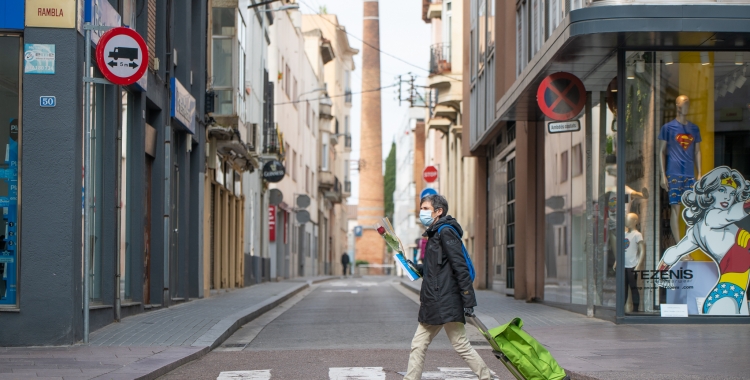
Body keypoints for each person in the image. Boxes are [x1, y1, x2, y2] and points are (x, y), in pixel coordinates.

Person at [404, 194, 491, 380]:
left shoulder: (445, 232)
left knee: (459, 344)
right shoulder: (435, 233)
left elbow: (460, 266)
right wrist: (417, 267)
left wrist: (468, 299)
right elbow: (437, 268)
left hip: (446, 300)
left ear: (438, 211)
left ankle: (486, 377)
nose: (422, 212)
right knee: (420, 344)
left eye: (426, 209)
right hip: (435, 300)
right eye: (422, 208)